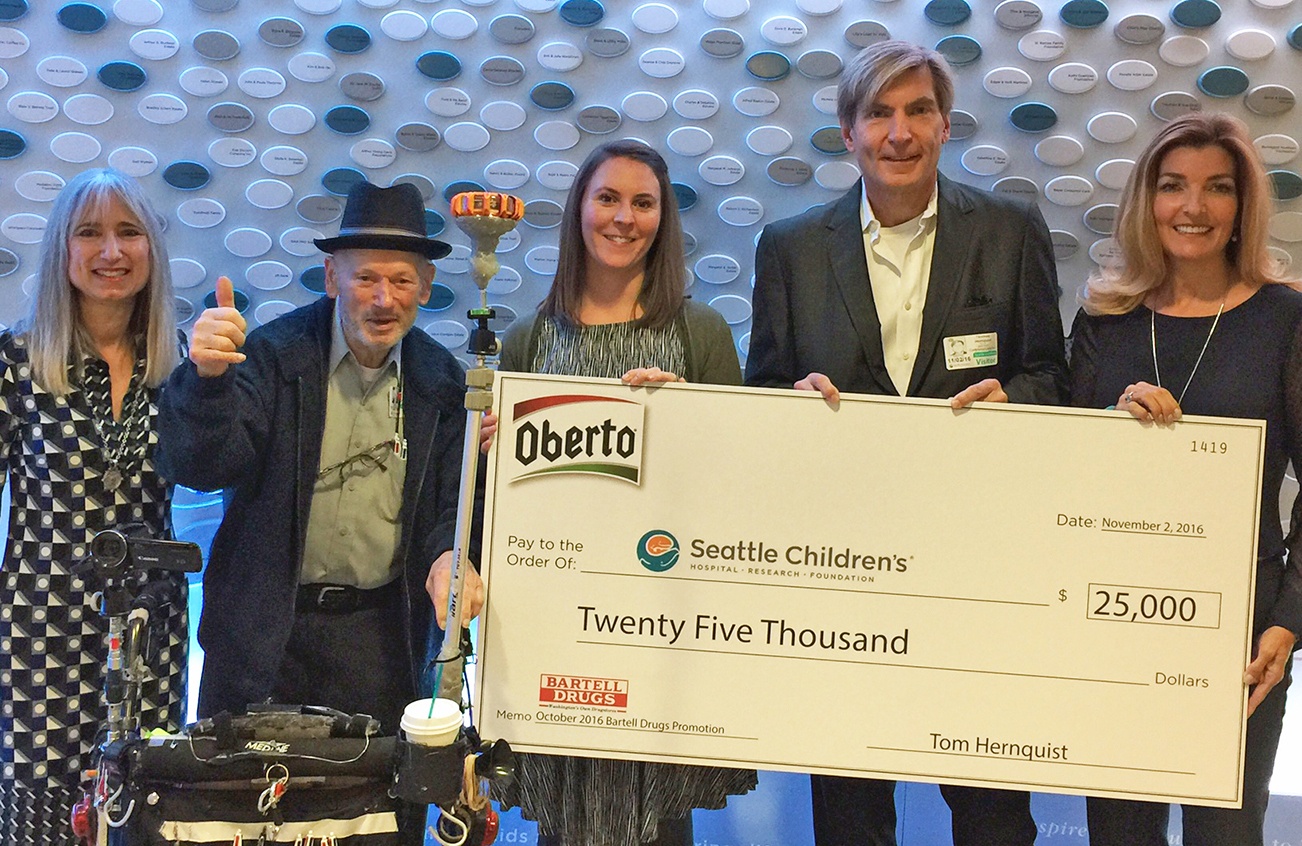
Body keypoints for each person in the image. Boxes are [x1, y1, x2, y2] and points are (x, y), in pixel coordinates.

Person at [744, 40, 1068, 846]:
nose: (899, 131)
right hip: (841, 573)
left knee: (993, 810)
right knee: (851, 813)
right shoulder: (790, 248)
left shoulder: (1009, 230)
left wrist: (1014, 397)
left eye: (917, 110)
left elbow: (1052, 379)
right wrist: (790, 406)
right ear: (848, 132)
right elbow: (759, 399)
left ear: (945, 124)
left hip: (979, 568)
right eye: (879, 113)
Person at [490, 139, 756, 846]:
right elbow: (496, 502)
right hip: (556, 626)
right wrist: (489, 451)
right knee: (563, 819)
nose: (623, 217)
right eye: (608, 198)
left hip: (662, 619)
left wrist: (690, 423)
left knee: (659, 822)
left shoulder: (699, 332)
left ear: (663, 221)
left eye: (643, 203)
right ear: (580, 208)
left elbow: (738, 484)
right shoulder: (527, 339)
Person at [157, 180, 482, 743]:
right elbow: (203, 466)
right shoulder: (271, 356)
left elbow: (450, 508)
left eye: (402, 280)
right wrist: (206, 382)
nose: (384, 299)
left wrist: (453, 556)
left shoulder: (443, 384)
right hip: (262, 638)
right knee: (243, 816)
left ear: (425, 288)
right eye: (366, 278)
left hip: (381, 643)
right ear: (333, 278)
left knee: (372, 817)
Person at [1070, 113, 1302, 846]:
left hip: (1242, 636)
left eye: (1217, 188)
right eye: (1173, 186)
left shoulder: (1287, 319)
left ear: (1242, 206)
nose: (1193, 208)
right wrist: (1112, 422)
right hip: (1108, 623)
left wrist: (1289, 620)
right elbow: (1060, 476)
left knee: (1228, 835)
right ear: (1147, 199)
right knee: (1117, 833)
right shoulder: (1103, 320)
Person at [0, 168, 186, 844]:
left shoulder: (182, 368)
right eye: (90, 234)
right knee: (45, 821)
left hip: (149, 635)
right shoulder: (15, 364)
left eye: (128, 233)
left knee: (143, 811)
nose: (111, 252)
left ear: (152, 251)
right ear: (63, 251)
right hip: (41, 635)